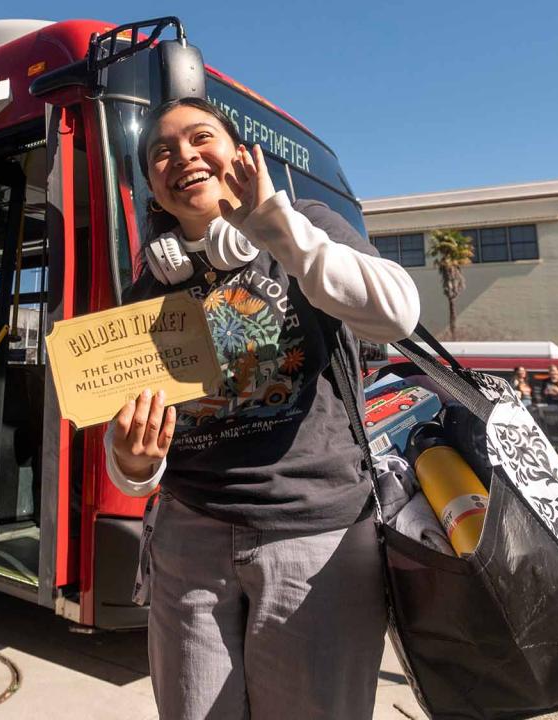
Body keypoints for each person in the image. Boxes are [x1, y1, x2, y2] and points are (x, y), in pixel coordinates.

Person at [108, 98, 419, 719]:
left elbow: (397, 315)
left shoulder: (304, 222)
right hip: (186, 540)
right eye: (162, 152)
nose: (183, 156)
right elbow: (137, 445)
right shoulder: (148, 290)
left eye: (201, 138)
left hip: (317, 537)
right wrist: (133, 463)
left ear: (239, 156)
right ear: (153, 188)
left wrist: (274, 222)